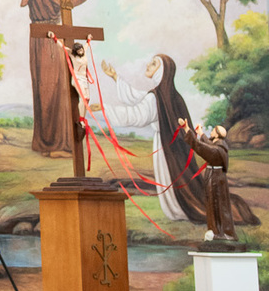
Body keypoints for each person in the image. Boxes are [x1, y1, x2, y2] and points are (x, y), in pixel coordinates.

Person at [99, 54, 256, 226]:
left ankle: (178, 210)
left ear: (163, 72)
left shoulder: (157, 97)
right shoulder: (170, 95)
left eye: (153, 64)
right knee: (177, 182)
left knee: (172, 182)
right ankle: (178, 209)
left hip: (168, 149)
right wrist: (115, 77)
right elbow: (139, 97)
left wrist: (104, 109)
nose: (148, 66)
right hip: (176, 148)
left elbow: (138, 114)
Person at [15, 0, 117, 156]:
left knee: (48, 89)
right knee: (57, 89)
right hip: (52, 42)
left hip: (40, 43)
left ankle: (48, 142)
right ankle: (57, 145)